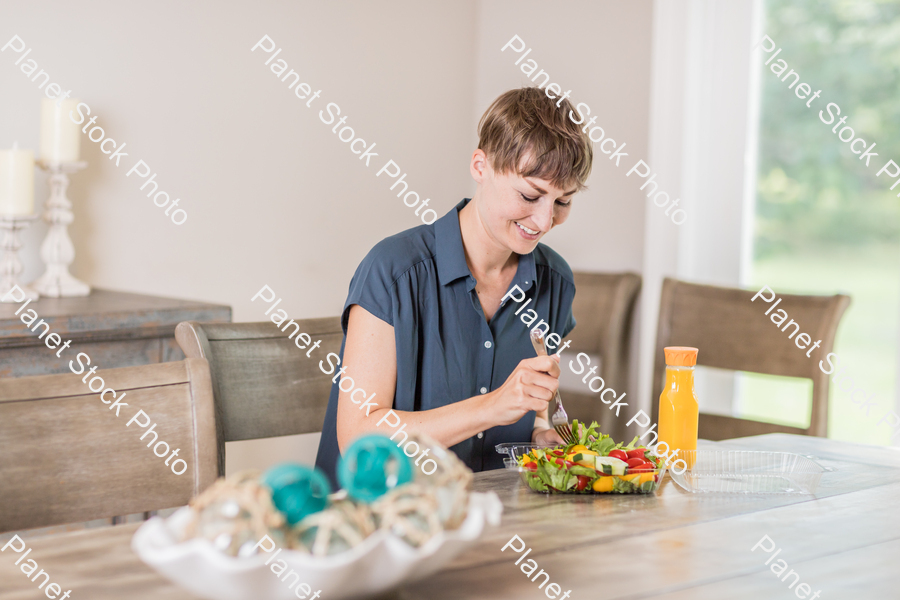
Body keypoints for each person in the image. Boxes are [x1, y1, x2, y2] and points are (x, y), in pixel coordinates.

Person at [315, 86, 594, 486]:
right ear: (481, 166)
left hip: (492, 523)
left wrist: (539, 432)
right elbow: (359, 436)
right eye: (530, 195)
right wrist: (491, 407)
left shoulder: (555, 282)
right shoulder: (393, 272)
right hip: (372, 524)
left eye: (562, 202)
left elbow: (534, 410)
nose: (545, 221)